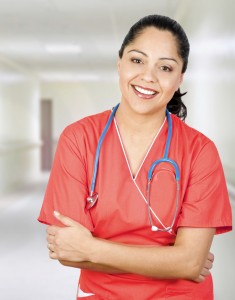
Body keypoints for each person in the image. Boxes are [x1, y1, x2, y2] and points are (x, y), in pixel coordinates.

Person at [38, 14, 232, 299]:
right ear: (120, 64)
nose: (148, 77)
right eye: (137, 60)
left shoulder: (200, 151)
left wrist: (91, 248)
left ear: (179, 78)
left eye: (165, 67)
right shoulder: (78, 139)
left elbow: (190, 263)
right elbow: (67, 252)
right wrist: (172, 261)